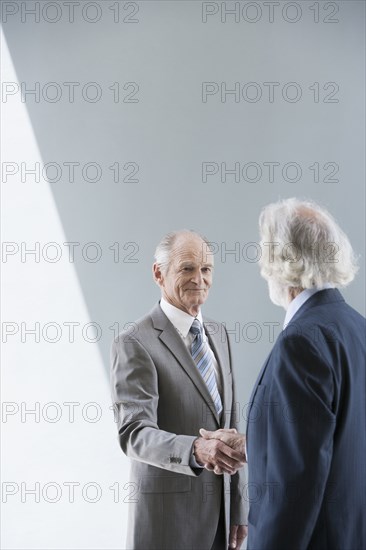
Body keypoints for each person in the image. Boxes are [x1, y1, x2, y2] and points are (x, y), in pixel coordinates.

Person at [200, 198, 366, 550]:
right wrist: (255, 444)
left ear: (281, 261)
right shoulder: (357, 329)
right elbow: (336, 438)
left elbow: (294, 489)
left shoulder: (301, 343)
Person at [111, 230, 248, 550]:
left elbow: (232, 424)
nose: (199, 278)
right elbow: (134, 434)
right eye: (187, 268)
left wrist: (239, 506)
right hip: (167, 525)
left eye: (206, 269)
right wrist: (195, 450)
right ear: (159, 273)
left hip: (220, 521)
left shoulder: (219, 333)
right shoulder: (134, 342)